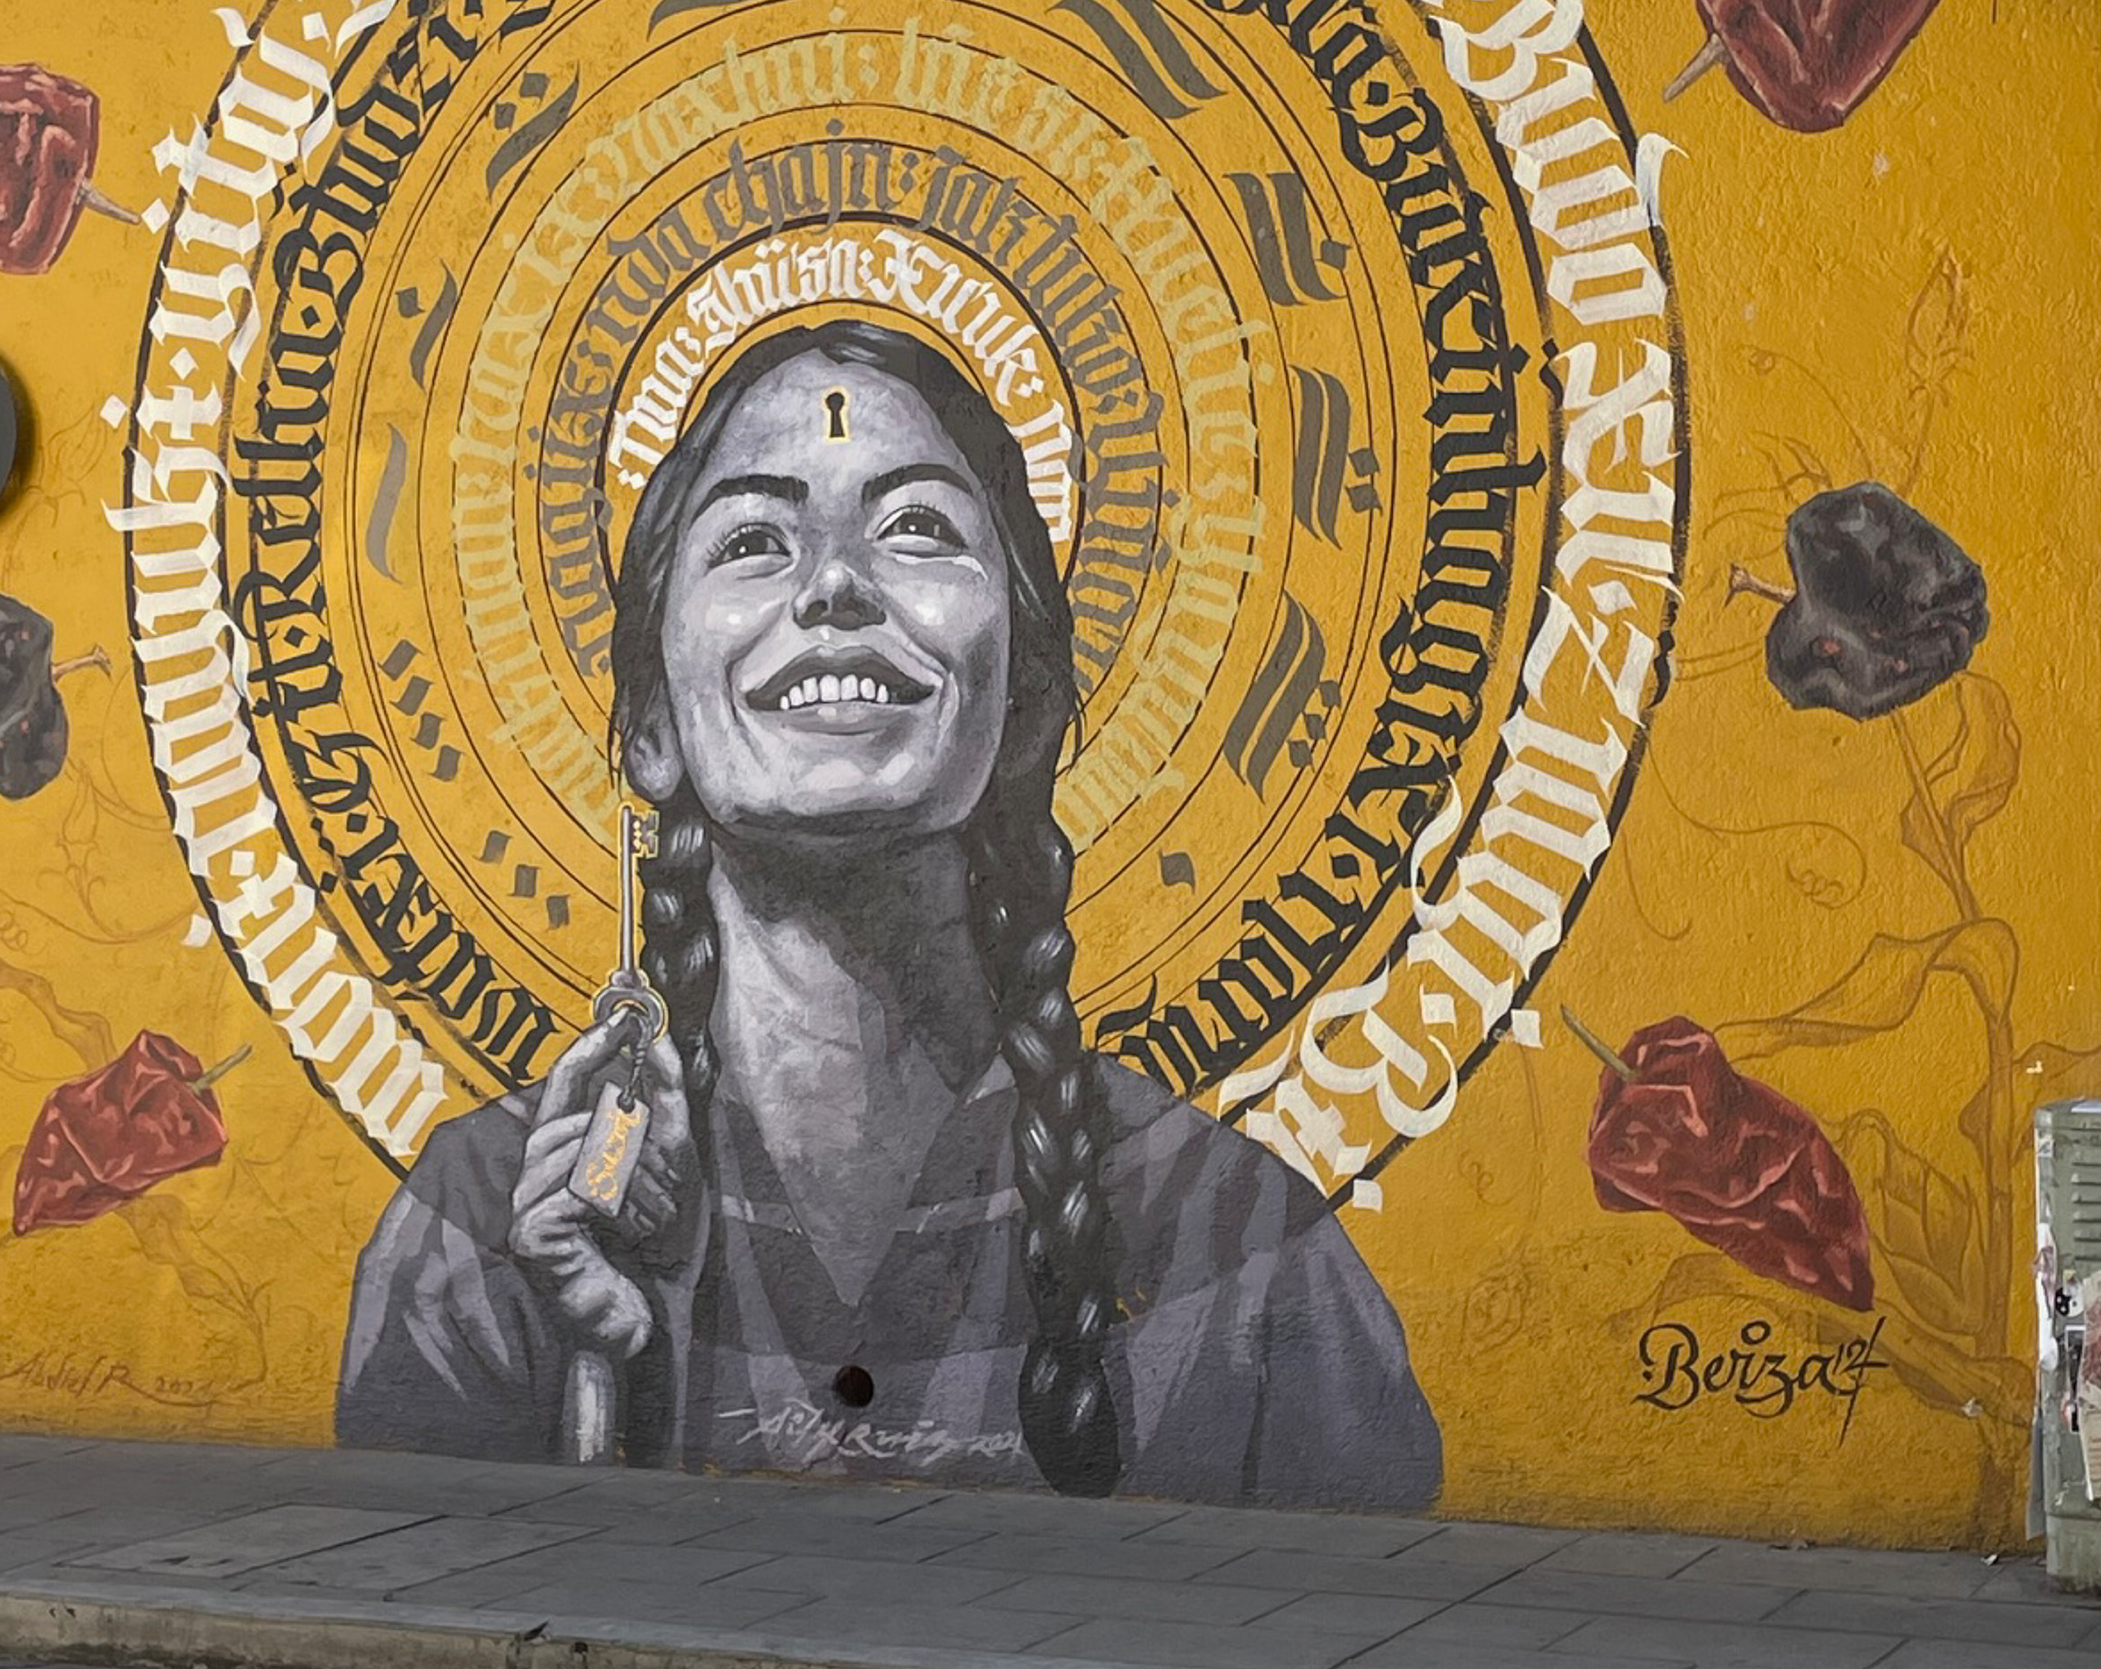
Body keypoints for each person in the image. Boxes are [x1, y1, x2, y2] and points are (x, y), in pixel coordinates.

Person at [337, 317, 1440, 1507]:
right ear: (651, 728)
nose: (835, 587)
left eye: (916, 526)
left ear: (1026, 709)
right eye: (754, 539)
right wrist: (611, 1365)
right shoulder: (488, 1225)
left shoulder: (1240, 1251)